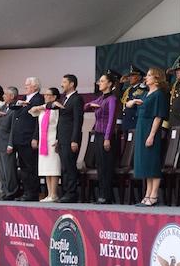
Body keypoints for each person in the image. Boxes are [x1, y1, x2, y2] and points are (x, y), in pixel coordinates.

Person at [128, 67, 168, 207]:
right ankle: (147, 194)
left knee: (152, 162)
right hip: (141, 127)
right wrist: (133, 102)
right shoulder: (145, 94)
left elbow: (158, 117)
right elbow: (128, 104)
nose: (147, 77)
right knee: (145, 162)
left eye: (150, 75)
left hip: (150, 129)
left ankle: (154, 195)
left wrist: (151, 135)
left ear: (157, 78)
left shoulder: (159, 94)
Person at [84, 72, 119, 204]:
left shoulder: (112, 99)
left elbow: (111, 120)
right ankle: (101, 194)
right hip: (98, 134)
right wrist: (90, 106)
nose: (100, 83)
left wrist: (107, 137)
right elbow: (85, 106)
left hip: (106, 135)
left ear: (109, 84)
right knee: (99, 165)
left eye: (103, 81)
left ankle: (107, 195)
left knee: (106, 166)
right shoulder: (101, 98)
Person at [10, 77, 45, 201]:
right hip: (20, 138)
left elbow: (37, 120)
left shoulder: (38, 99)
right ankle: (26, 192)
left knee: (31, 167)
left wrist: (35, 137)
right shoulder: (24, 99)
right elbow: (15, 112)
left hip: (29, 137)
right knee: (23, 167)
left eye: (28, 85)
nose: (25, 87)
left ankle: (33, 193)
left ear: (35, 87)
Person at [30, 88, 63, 202]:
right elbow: (32, 111)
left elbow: (60, 125)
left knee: (53, 167)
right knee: (46, 168)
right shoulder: (43, 109)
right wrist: (43, 107)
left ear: (54, 97)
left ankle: (54, 193)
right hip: (43, 141)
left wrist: (59, 139)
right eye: (45, 95)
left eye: (49, 95)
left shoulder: (56, 109)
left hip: (53, 140)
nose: (46, 97)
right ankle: (49, 194)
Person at [57, 74, 84, 203]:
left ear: (72, 84)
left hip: (70, 138)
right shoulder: (64, 99)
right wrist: (57, 138)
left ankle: (72, 193)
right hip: (62, 138)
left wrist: (74, 139)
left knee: (70, 166)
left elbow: (78, 121)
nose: (62, 84)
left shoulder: (77, 99)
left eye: (64, 82)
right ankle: (65, 191)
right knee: (64, 167)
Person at [0, 87, 19, 201]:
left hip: (7, 142)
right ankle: (4, 191)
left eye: (6, 94)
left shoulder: (14, 109)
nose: (3, 96)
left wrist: (11, 143)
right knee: (2, 170)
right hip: (0, 141)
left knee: (9, 169)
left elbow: (14, 128)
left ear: (12, 96)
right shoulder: (3, 107)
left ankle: (11, 191)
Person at [119, 65, 146, 132]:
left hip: (134, 121)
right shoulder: (129, 89)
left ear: (139, 77)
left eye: (132, 76)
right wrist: (120, 84)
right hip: (126, 121)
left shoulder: (142, 88)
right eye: (129, 76)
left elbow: (136, 96)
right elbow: (118, 97)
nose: (130, 78)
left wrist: (142, 86)